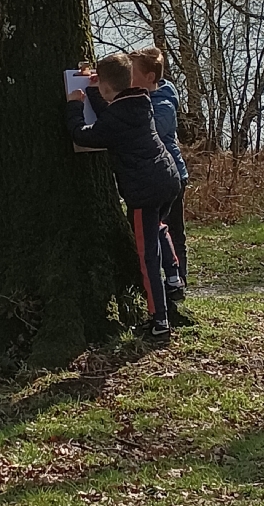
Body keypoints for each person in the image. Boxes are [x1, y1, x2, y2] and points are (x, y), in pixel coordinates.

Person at [66, 52, 181, 343]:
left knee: (146, 257)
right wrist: (94, 92)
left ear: (107, 88)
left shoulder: (117, 118)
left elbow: (84, 135)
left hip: (144, 192)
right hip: (167, 180)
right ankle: (174, 274)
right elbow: (112, 116)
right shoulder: (139, 103)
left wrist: (74, 107)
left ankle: (160, 322)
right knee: (157, 229)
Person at [129, 47, 189, 300]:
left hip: (171, 176)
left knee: (173, 231)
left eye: (131, 73)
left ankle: (179, 282)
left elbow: (150, 128)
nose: (128, 77)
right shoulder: (141, 97)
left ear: (150, 77)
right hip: (152, 178)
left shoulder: (162, 104)